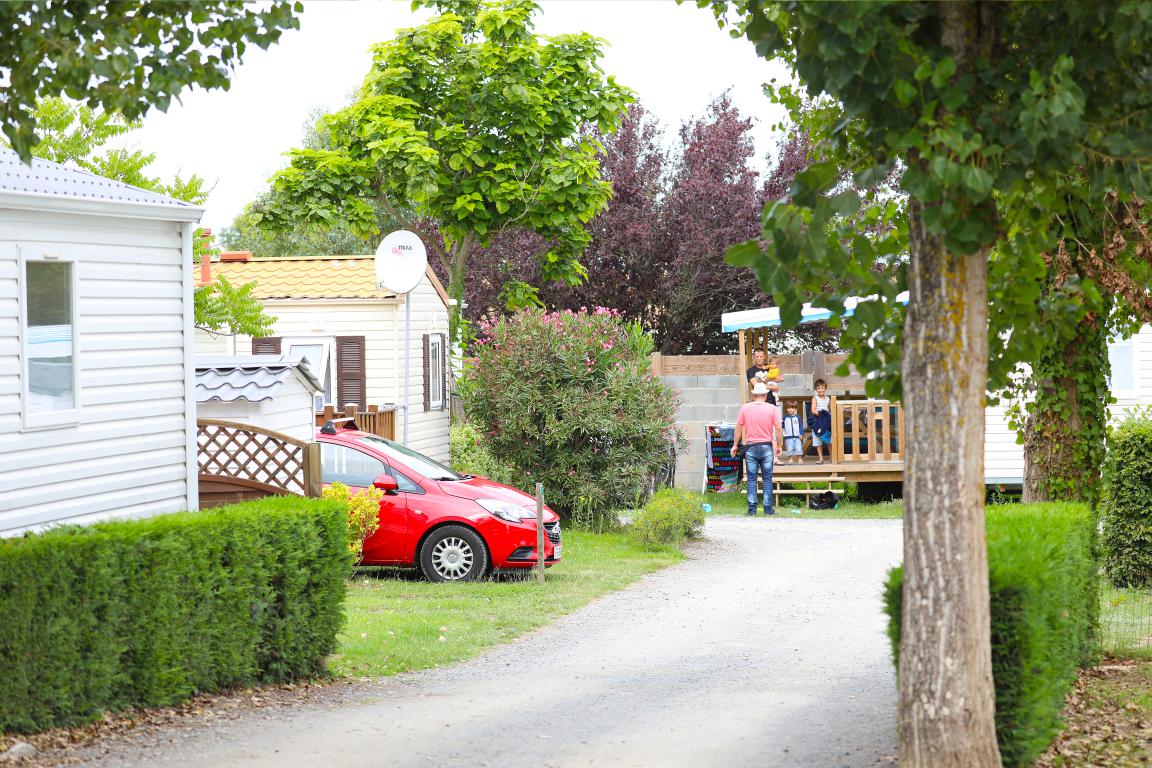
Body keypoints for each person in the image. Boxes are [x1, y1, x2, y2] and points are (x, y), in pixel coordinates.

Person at [730, 381, 782, 515]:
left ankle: (752, 509)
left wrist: (735, 445)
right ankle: (768, 509)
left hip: (751, 448)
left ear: (754, 395)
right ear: (765, 395)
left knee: (752, 479)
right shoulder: (772, 409)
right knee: (767, 479)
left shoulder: (745, 408)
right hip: (766, 447)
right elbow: (778, 428)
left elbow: (738, 428)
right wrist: (780, 445)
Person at [809, 379, 832, 464]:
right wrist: (821, 414)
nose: (820, 390)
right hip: (818, 420)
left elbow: (831, 409)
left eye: (822, 388)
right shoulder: (815, 398)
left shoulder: (828, 399)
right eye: (818, 388)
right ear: (816, 389)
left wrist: (828, 415)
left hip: (826, 421)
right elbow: (813, 410)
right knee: (818, 440)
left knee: (830, 440)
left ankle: (832, 458)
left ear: (825, 388)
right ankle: (821, 458)